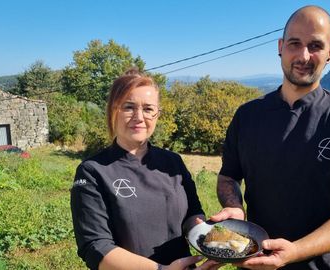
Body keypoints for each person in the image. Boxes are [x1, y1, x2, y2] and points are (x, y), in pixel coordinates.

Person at [211, 5, 330, 270]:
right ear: (280, 46)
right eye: (294, 43)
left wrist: (296, 251)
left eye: (315, 45)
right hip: (254, 260)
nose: (303, 55)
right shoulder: (248, 116)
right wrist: (235, 209)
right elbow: (229, 175)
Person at [70, 69, 219, 270]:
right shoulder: (93, 171)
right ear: (114, 110)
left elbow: (192, 213)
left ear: (157, 114)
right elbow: (95, 246)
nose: (139, 117)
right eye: (129, 107)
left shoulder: (173, 163)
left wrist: (211, 238)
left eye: (148, 109)